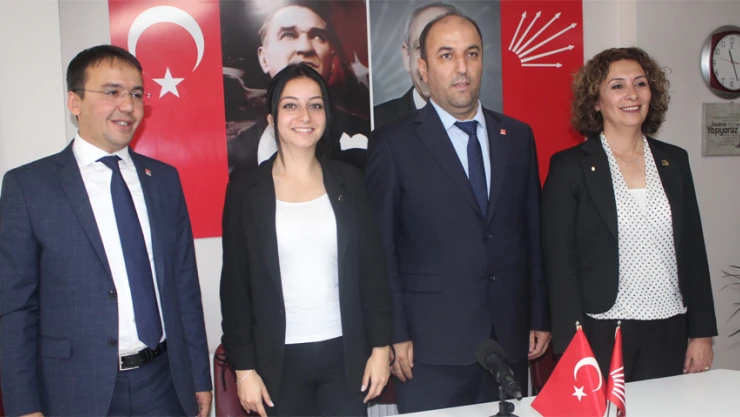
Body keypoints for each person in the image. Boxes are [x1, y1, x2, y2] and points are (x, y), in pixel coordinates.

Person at [0, 45, 212, 416]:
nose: (128, 106)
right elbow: (15, 309)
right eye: (112, 92)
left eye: (136, 94)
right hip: (75, 391)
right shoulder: (29, 187)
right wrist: (23, 405)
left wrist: (198, 376)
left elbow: (184, 289)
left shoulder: (163, 180)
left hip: (164, 384)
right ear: (75, 102)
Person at [365, 12, 550, 414]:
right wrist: (394, 332)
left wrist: (538, 315)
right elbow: (381, 251)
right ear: (423, 68)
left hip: (508, 338)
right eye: (446, 55)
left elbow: (532, 234)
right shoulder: (392, 144)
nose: (462, 67)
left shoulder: (517, 136)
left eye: (472, 54)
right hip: (430, 347)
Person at [220, 63, 392, 417]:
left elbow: (372, 271)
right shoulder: (244, 192)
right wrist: (244, 369)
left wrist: (380, 347)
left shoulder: (350, 181)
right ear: (271, 118)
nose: (305, 116)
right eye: (290, 105)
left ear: (327, 115)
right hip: (277, 363)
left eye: (315, 105)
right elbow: (235, 287)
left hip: (346, 356)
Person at [542, 47, 718, 382]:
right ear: (596, 101)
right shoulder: (570, 167)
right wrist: (571, 344)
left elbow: (693, 250)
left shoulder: (674, 161)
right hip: (602, 330)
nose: (632, 94)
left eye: (640, 83)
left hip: (670, 326)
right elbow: (560, 263)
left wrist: (702, 333)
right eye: (617, 86)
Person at [227, 1, 370, 176]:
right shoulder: (235, 155)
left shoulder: (367, 138)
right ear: (264, 58)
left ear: (333, 61)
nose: (305, 47)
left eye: (318, 36)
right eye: (288, 35)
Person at [372, 2, 461, 129]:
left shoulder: (488, 124)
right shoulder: (375, 124)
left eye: (445, 53)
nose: (430, 65)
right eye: (421, 47)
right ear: (407, 56)